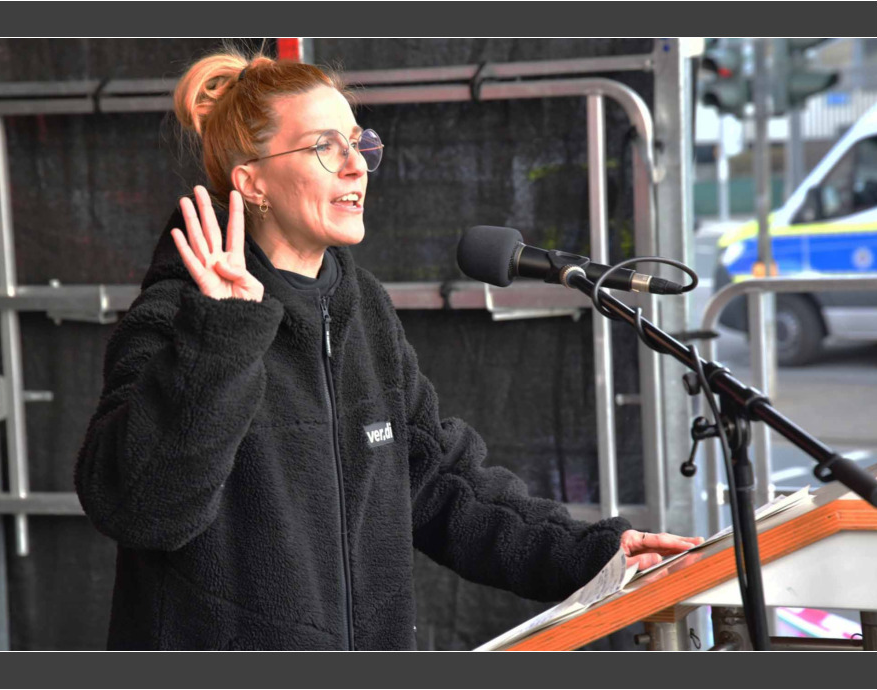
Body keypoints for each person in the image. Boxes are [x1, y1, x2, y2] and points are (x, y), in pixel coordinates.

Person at [74, 49, 702, 651]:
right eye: (325, 147)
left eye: (358, 144)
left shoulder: (361, 307)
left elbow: (433, 478)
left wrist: (589, 554)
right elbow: (141, 510)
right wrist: (221, 334)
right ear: (252, 182)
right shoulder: (177, 314)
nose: (356, 166)